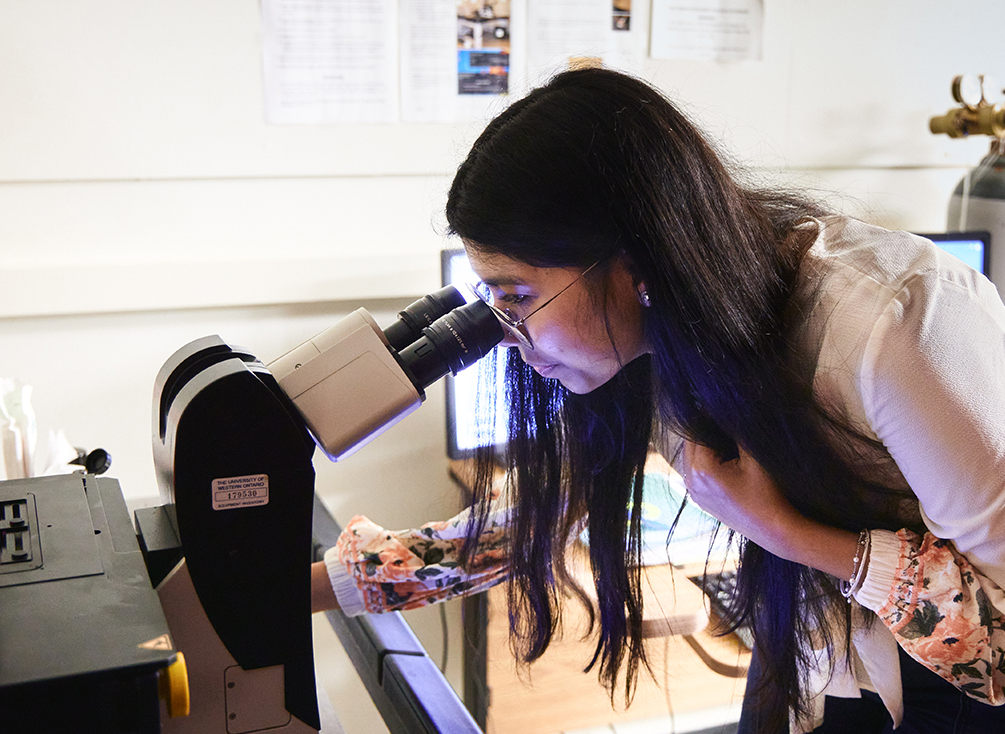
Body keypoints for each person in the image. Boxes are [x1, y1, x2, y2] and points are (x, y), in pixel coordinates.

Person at [311, 67, 1005, 733]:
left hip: (963, 689)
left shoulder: (894, 325)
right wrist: (297, 591)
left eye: (516, 296)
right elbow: (533, 520)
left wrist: (784, 533)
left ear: (637, 263)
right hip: (823, 650)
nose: (507, 333)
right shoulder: (655, 328)